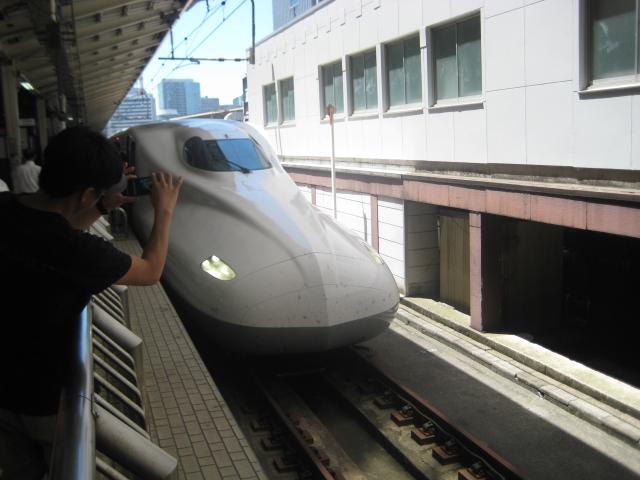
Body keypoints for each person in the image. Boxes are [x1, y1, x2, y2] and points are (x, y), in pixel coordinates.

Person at [0, 126, 183, 479]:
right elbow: (150, 270)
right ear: (86, 194)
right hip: (46, 402)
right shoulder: (76, 251)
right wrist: (165, 211)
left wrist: (102, 204)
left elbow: (55, 222)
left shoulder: (6, 206)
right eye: (97, 193)